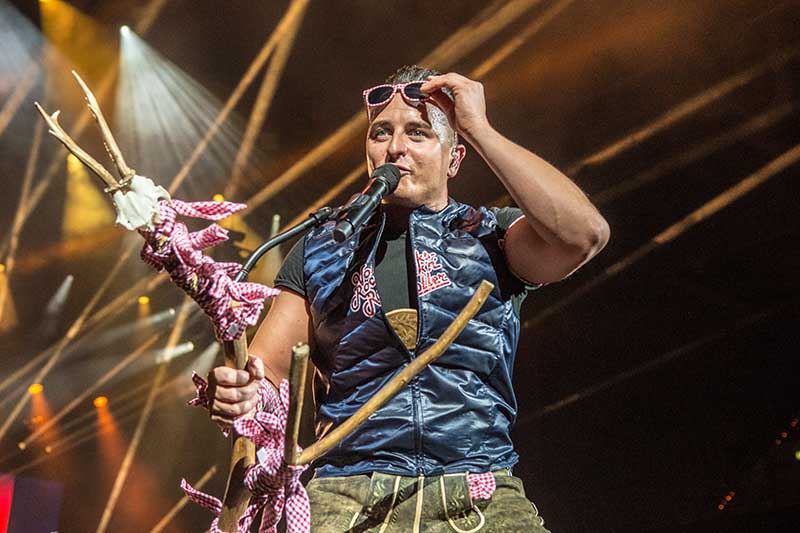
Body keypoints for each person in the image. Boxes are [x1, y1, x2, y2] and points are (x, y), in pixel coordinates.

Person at [207, 65, 610, 532]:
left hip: (475, 487)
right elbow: (269, 369)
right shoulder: (321, 246)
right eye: (381, 133)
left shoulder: (491, 236)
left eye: (418, 132)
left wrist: (478, 128)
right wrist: (242, 393)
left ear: (455, 159)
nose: (395, 148)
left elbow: (585, 235)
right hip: (347, 491)